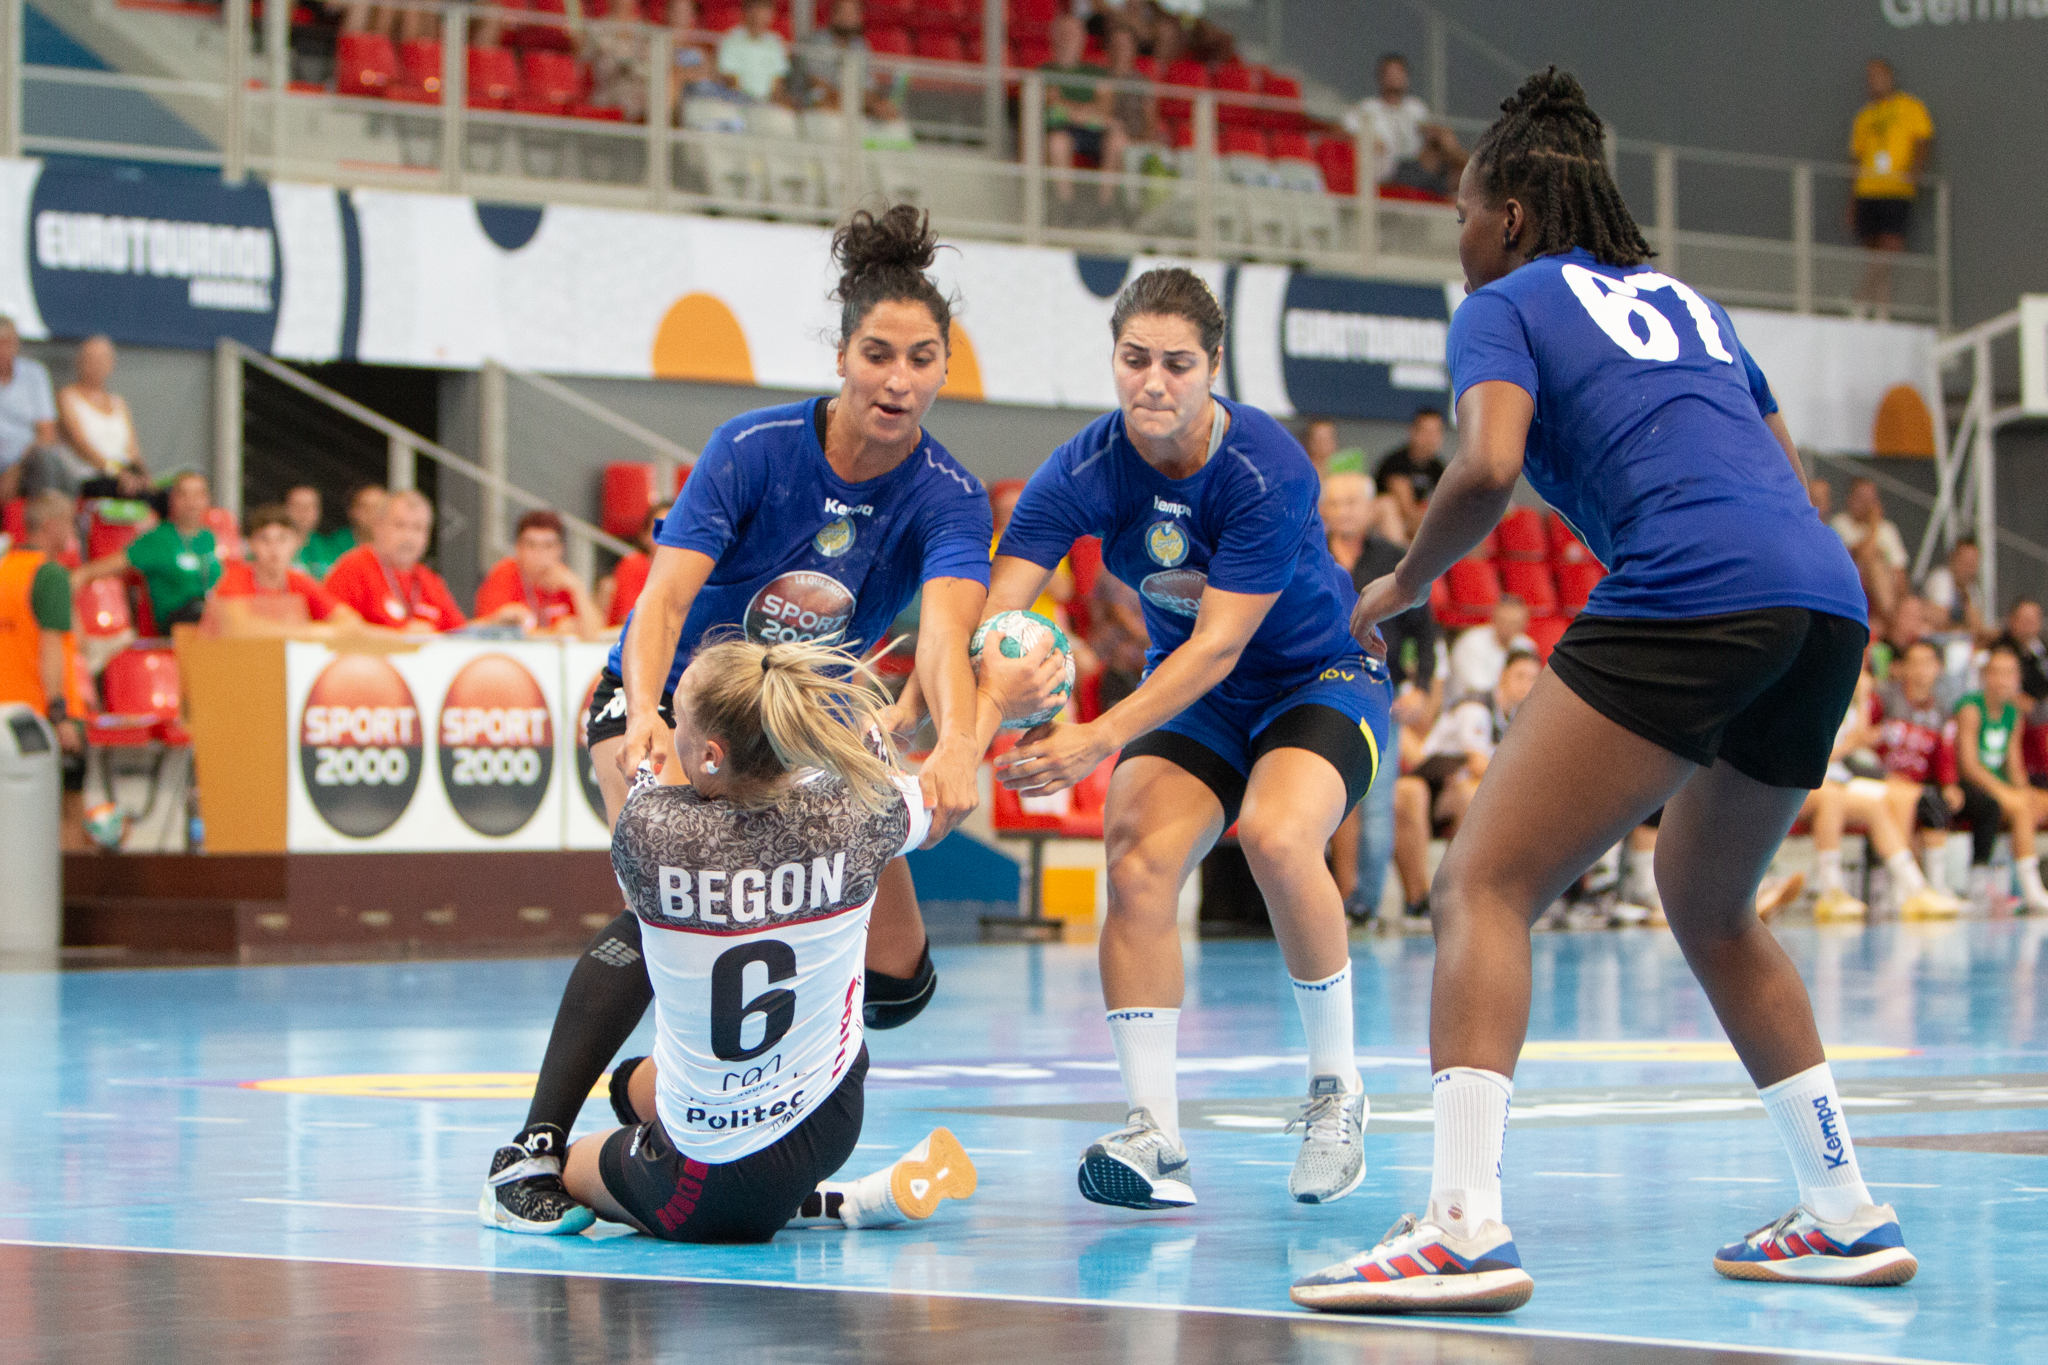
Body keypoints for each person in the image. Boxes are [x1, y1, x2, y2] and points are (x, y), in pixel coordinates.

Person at [1303, 70, 1914, 1315]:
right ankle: (1844, 1209)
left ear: (1512, 215)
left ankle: (1460, 1226)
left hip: (1693, 583)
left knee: (1480, 882)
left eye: (1462, 214)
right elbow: (1781, 474)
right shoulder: (1692, 303)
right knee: (1708, 902)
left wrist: (1406, 580)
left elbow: (1486, 465)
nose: (1458, 238)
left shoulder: (1502, 302)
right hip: (1822, 597)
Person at [481, 207, 1056, 1236]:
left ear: (943, 367)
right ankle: (533, 1142)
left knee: (898, 979)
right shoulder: (752, 448)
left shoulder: (948, 496)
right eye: (877, 354)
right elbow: (662, 601)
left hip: (801, 729)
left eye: (922, 359)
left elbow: (943, 638)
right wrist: (647, 716)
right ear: (840, 356)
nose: (898, 379)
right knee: (682, 893)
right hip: (682, 706)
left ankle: (683, 1110)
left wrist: (963, 744)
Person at [981, 266, 1394, 1211]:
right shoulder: (1085, 466)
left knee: (1279, 834)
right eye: (1135, 359)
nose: (1153, 381)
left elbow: (1218, 644)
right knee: (1135, 860)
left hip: (1315, 677)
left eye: (1176, 363)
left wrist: (1096, 736)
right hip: (1198, 696)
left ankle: (1338, 1092)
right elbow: (1001, 607)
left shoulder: (1266, 467)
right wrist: (968, 710)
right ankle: (1154, 1137)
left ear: (1213, 366)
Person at [495, 635, 979, 1241]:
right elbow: (947, 793)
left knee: (576, 1167)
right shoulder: (859, 808)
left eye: (678, 724)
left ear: (710, 755)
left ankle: (543, 1169)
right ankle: (817, 1197)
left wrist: (641, 755)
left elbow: (652, 800)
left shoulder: (649, 831)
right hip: (833, 1117)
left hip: (705, 1182)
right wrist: (980, 713)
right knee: (634, 1084)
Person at [1325, 469, 1437, 919]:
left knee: (1375, 809)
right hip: (1316, 694)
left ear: (1372, 509)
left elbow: (1425, 632)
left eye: (1352, 502)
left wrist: (1421, 688)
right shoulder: (1306, 554)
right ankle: (1336, 902)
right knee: (1331, 805)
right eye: (1334, 503)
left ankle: (1363, 906)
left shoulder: (1395, 560)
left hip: (1377, 695)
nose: (1343, 511)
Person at [1787, 667, 1960, 923]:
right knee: (1832, 797)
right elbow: (1814, 755)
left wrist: (1862, 696)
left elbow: (1859, 739)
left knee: (1886, 802)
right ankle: (1831, 891)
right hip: (1800, 781)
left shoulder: (1841, 699)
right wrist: (1847, 746)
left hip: (1839, 777)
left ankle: (1911, 889)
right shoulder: (1802, 698)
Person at [1392, 650, 1539, 926]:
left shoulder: (1522, 717)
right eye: (1520, 676)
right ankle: (1425, 899)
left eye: (1533, 679)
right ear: (1502, 677)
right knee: (1474, 793)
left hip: (1452, 791)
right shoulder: (1476, 707)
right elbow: (1478, 764)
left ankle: (1500, 894)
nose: (1526, 685)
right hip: (1430, 784)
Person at [0, 491, 88, 844]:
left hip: (7, 717)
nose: (72, 532)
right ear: (52, 527)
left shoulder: (5, 569)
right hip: (42, 717)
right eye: (69, 523)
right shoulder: (50, 575)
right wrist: (59, 713)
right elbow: (51, 647)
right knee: (69, 818)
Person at [1872, 638, 1967, 906]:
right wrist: (1882, 775)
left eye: (1926, 663)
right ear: (1901, 668)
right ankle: (1903, 889)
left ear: (1938, 668)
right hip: (1883, 779)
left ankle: (1935, 885)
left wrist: (1950, 784)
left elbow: (1945, 752)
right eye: (1913, 663)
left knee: (1938, 802)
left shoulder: (1942, 710)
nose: (1920, 671)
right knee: (1913, 800)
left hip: (1919, 783)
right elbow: (1863, 741)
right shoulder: (1885, 700)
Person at [1954, 645, 2048, 913]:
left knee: (2037, 801)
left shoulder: (2013, 713)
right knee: (2021, 809)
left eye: (2009, 673)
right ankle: (2031, 889)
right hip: (1973, 788)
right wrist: (2005, 792)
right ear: (1985, 676)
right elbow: (1969, 765)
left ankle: (2028, 882)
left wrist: (2024, 790)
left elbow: (2014, 764)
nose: (2002, 680)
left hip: (2001, 786)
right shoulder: (1971, 708)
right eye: (1996, 672)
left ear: (2017, 678)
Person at [75, 471, 222, 630]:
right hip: (176, 624)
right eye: (184, 495)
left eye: (198, 495)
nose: (191, 502)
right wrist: (73, 580)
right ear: (173, 499)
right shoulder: (157, 538)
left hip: (211, 619)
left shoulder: (210, 538)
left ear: (207, 499)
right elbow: (106, 566)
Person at [1848, 58, 1932, 321]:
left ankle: (1860, 297)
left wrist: (1915, 173)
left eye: (1879, 75)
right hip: (1868, 189)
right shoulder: (1865, 116)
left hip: (1896, 189)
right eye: (1870, 77)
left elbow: (1922, 140)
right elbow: (1856, 157)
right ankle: (1880, 308)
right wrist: (1851, 201)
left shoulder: (1909, 107)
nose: (1875, 82)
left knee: (1891, 247)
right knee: (1873, 251)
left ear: (1890, 77)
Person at [322, 490, 467, 633]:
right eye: (400, 525)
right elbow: (335, 630)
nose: (408, 537)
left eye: (418, 528)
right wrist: (401, 636)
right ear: (378, 526)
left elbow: (460, 633)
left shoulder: (430, 580)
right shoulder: (353, 568)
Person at [213, 504, 361, 634]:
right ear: (251, 544)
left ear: (295, 543)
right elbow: (238, 626)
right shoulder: (235, 578)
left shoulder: (299, 581)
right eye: (264, 539)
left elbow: (349, 621)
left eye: (282, 539)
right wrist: (307, 632)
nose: (274, 548)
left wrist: (316, 631)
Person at [1041, 12, 1127, 218]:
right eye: (1064, 33)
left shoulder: (1096, 72)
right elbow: (1053, 107)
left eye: (1074, 33)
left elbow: (1106, 107)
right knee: (1058, 142)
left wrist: (1070, 111)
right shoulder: (1044, 71)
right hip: (1062, 132)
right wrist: (1090, 113)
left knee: (1117, 139)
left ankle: (1105, 209)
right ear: (1055, 37)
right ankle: (1066, 209)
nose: (1069, 38)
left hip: (1094, 134)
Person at [1342, 54, 1465, 196]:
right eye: (1391, 73)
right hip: (1389, 169)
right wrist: (1369, 139)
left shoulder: (1415, 106)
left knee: (1444, 138)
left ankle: (1473, 172)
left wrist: (1438, 134)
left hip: (1416, 164)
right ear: (1381, 77)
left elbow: (1430, 130)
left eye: (1399, 72)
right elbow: (1343, 130)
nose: (1395, 77)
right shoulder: (1368, 107)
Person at [476, 509, 604, 639]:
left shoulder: (565, 579)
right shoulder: (504, 575)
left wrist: (577, 588)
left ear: (560, 550)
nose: (539, 553)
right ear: (518, 548)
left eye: (548, 546)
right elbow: (481, 631)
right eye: (531, 545)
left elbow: (595, 635)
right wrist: (553, 633)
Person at [54, 336, 149, 499]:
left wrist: (142, 475)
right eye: (91, 359)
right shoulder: (67, 397)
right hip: (90, 478)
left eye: (103, 359)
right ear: (79, 362)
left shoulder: (118, 402)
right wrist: (116, 471)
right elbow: (81, 445)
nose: (97, 365)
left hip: (124, 476)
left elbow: (133, 450)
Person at [0, 316, 60, 505]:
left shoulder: (35, 374)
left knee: (45, 459)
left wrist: (16, 468)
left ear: (16, 344)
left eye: (7, 343)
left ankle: (46, 517)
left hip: (27, 461)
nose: (2, 351)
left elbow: (47, 434)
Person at [1830, 476, 1907, 623]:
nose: (1866, 505)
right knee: (1874, 563)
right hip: (1855, 589)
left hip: (1888, 590)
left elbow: (1900, 574)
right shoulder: (1840, 523)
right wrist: (1874, 524)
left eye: (1870, 499)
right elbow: (1862, 555)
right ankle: (1893, 621)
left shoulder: (1888, 529)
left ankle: (1894, 618)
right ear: (1850, 499)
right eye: (1861, 498)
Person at [1372, 407, 1447, 542]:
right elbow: (1407, 511)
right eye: (1426, 431)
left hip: (1422, 528)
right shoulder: (1396, 463)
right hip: (1390, 530)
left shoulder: (1438, 467)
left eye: (1436, 432)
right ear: (1413, 432)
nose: (1431, 438)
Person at [1446, 595, 1534, 701]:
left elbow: (1531, 687)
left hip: (1509, 705)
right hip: (1467, 704)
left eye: (1514, 623)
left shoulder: (1526, 646)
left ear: (1524, 624)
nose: (1508, 627)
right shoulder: (1472, 642)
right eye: (1504, 621)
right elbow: (1478, 690)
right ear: (1494, 618)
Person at [598, 500, 667, 628]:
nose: (666, 538)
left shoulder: (687, 570)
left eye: (673, 531)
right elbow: (632, 621)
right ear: (645, 536)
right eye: (659, 531)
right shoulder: (634, 565)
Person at [716, 0, 791, 104]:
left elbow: (777, 83)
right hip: (737, 102)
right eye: (755, 9)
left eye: (763, 10)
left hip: (767, 104)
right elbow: (731, 81)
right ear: (745, 11)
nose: (758, 15)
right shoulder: (731, 40)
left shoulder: (776, 43)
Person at [1920, 538, 1983, 640]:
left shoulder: (1971, 590)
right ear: (1953, 559)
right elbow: (1940, 618)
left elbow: (1978, 628)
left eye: (1972, 564)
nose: (1968, 569)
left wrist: (1966, 600)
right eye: (1965, 562)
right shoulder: (1940, 578)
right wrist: (1963, 624)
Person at [1990, 598, 2047, 707]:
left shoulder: (2041, 648)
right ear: (2012, 620)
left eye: (2033, 621)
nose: (2028, 627)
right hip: (2015, 707)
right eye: (2024, 621)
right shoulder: (2000, 649)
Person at [288, 486, 349, 582]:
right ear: (286, 509)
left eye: (310, 506)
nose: (303, 512)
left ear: (319, 511)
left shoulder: (331, 547)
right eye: (297, 505)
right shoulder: (274, 547)